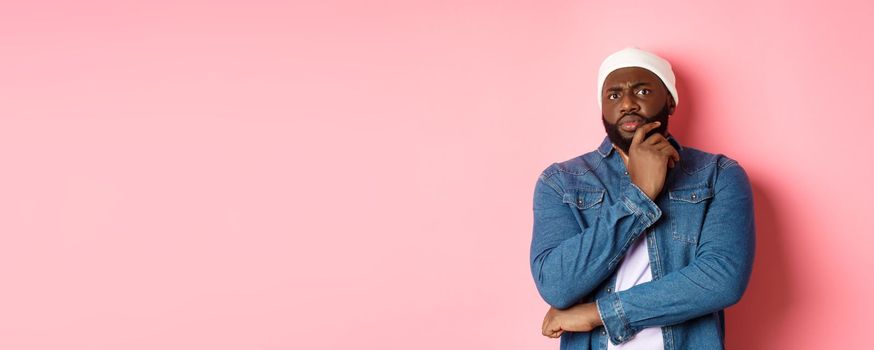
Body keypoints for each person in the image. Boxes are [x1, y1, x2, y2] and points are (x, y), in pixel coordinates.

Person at [529, 47, 755, 349]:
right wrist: (639, 196)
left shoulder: (718, 175)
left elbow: (722, 279)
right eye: (613, 95)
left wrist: (600, 313)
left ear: (670, 102)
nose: (627, 103)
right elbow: (557, 286)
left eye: (643, 90)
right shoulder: (562, 182)